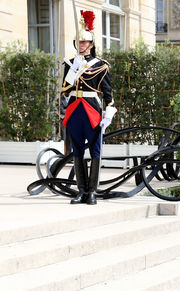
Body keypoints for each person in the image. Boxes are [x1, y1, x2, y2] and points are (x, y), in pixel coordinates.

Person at [61, 10, 116, 205]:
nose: (81, 45)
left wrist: (108, 114)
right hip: (75, 108)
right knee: (77, 151)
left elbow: (108, 93)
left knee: (95, 151)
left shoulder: (101, 65)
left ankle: (92, 191)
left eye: (85, 42)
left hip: (92, 108)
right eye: (79, 42)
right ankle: (81, 190)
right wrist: (74, 69)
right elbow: (65, 90)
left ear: (91, 44)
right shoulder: (70, 64)